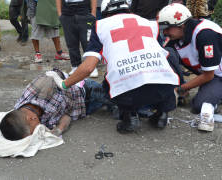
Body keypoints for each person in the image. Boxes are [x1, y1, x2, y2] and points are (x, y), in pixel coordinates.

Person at [47, 0, 180, 134]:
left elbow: (88, 67)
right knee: (165, 63)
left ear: (105, 13)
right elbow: (163, 55)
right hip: (163, 87)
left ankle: (129, 116)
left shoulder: (100, 26)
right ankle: (162, 114)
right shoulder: (150, 24)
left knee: (108, 82)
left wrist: (65, 84)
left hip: (130, 91)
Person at [158, 3, 222, 132]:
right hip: (202, 67)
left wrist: (180, 89)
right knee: (167, 53)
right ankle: (198, 89)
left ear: (181, 24)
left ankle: (218, 93)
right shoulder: (177, 35)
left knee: (199, 105)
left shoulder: (206, 35)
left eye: (167, 28)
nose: (165, 32)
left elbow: (209, 75)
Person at [0, 69, 113, 141]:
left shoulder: (40, 88)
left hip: (87, 91)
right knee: (115, 109)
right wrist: (59, 129)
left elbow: (55, 74)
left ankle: (112, 77)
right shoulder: (35, 120)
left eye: (31, 133)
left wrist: (58, 81)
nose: (34, 134)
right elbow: (67, 115)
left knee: (123, 103)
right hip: (83, 108)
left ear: (31, 118)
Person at [56, 0, 98, 77]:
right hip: (67, 11)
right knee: (71, 42)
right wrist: (59, 13)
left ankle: (92, 67)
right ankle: (75, 66)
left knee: (87, 41)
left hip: (84, 9)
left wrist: (93, 12)